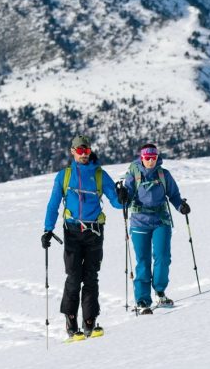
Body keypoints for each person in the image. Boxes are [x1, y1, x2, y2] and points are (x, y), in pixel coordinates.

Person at [41, 134, 123, 339]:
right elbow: (53, 203)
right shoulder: (64, 176)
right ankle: (70, 320)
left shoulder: (99, 175)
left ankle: (89, 321)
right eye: (80, 151)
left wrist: (123, 197)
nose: (84, 155)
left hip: (95, 231)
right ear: (73, 152)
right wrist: (47, 229)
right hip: (72, 231)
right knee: (74, 276)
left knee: (91, 277)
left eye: (86, 151)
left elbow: (117, 202)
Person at [116, 142, 190, 311]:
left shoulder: (164, 175)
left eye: (153, 157)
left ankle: (160, 291)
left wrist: (181, 207)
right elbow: (125, 194)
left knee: (163, 257)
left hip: (160, 221)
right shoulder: (133, 173)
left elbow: (174, 196)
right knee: (143, 261)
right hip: (139, 221)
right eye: (147, 158)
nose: (150, 161)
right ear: (142, 158)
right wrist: (122, 196)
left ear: (157, 158)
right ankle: (142, 299)